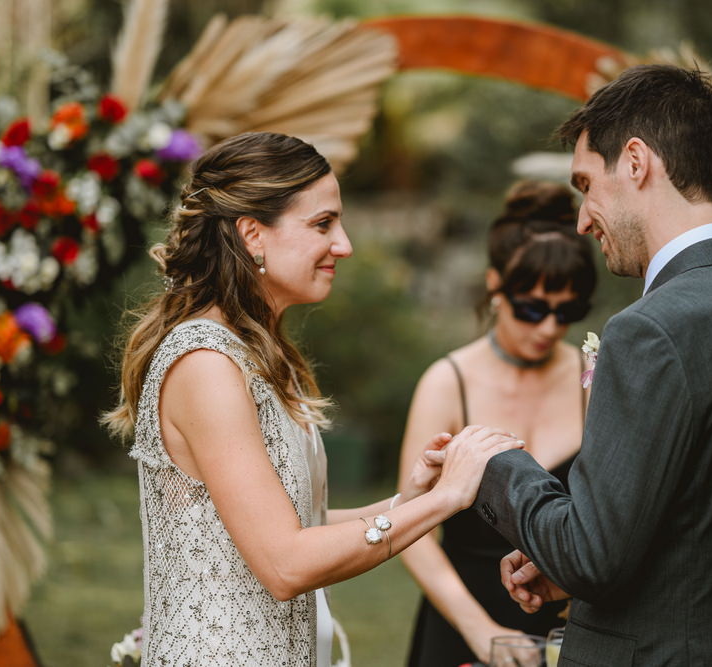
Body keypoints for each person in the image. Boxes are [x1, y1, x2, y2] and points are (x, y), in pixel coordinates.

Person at [102, 131, 523, 667]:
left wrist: (410, 500)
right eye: (323, 224)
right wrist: (446, 501)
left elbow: (293, 524)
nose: (344, 244)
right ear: (253, 234)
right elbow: (285, 565)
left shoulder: (254, 352)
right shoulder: (205, 364)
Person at [472, 65, 712, 664]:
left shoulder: (648, 330)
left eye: (586, 184)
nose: (583, 218)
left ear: (636, 162)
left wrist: (495, 463)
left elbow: (591, 552)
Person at [399, 181, 598, 666]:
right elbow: (411, 529)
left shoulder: (589, 379)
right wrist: (478, 628)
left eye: (567, 311)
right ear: (494, 286)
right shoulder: (448, 383)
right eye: (532, 308)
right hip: (461, 618)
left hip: (560, 620)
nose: (549, 328)